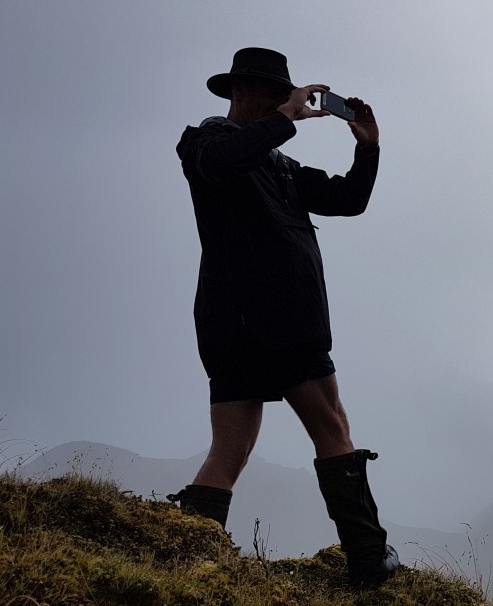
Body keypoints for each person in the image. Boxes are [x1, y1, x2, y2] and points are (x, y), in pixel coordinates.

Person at [169, 47, 400, 589]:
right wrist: (285, 118)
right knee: (331, 427)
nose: (284, 102)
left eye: (285, 95)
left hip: (241, 320)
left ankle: (184, 561)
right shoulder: (203, 143)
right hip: (272, 319)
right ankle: (369, 559)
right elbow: (228, 161)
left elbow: (348, 200)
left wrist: (367, 149)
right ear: (240, 92)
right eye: (274, 94)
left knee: (230, 449)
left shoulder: (283, 167)